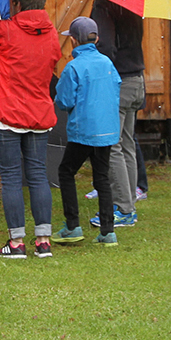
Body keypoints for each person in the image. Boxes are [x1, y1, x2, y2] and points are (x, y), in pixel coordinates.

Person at [0, 0, 62, 259]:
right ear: (42, 2)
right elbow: (52, 61)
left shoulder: (6, 31)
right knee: (38, 175)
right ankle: (43, 241)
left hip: (7, 115)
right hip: (39, 115)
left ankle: (17, 243)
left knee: (10, 177)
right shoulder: (52, 35)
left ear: (17, 4)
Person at [52, 17, 122, 248]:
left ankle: (72, 226)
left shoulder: (73, 67)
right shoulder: (107, 63)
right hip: (106, 131)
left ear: (73, 40)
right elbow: (116, 87)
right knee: (102, 178)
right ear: (97, 38)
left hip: (83, 131)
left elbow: (64, 100)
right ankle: (108, 231)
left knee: (66, 172)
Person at [90, 0, 142, 229]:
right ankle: (129, 203)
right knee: (127, 144)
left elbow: (107, 46)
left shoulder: (104, 4)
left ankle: (123, 209)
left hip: (118, 80)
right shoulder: (133, 2)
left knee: (112, 146)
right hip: (136, 79)